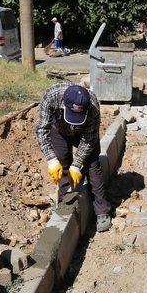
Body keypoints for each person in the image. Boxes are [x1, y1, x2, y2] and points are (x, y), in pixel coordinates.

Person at [36, 83, 112, 232]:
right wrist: (51, 159)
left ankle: (102, 211)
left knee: (93, 165)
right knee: (62, 161)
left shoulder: (93, 106)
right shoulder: (51, 97)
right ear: (64, 103)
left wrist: (77, 165)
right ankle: (67, 199)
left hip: (84, 133)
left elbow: (89, 140)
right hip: (59, 130)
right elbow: (42, 129)